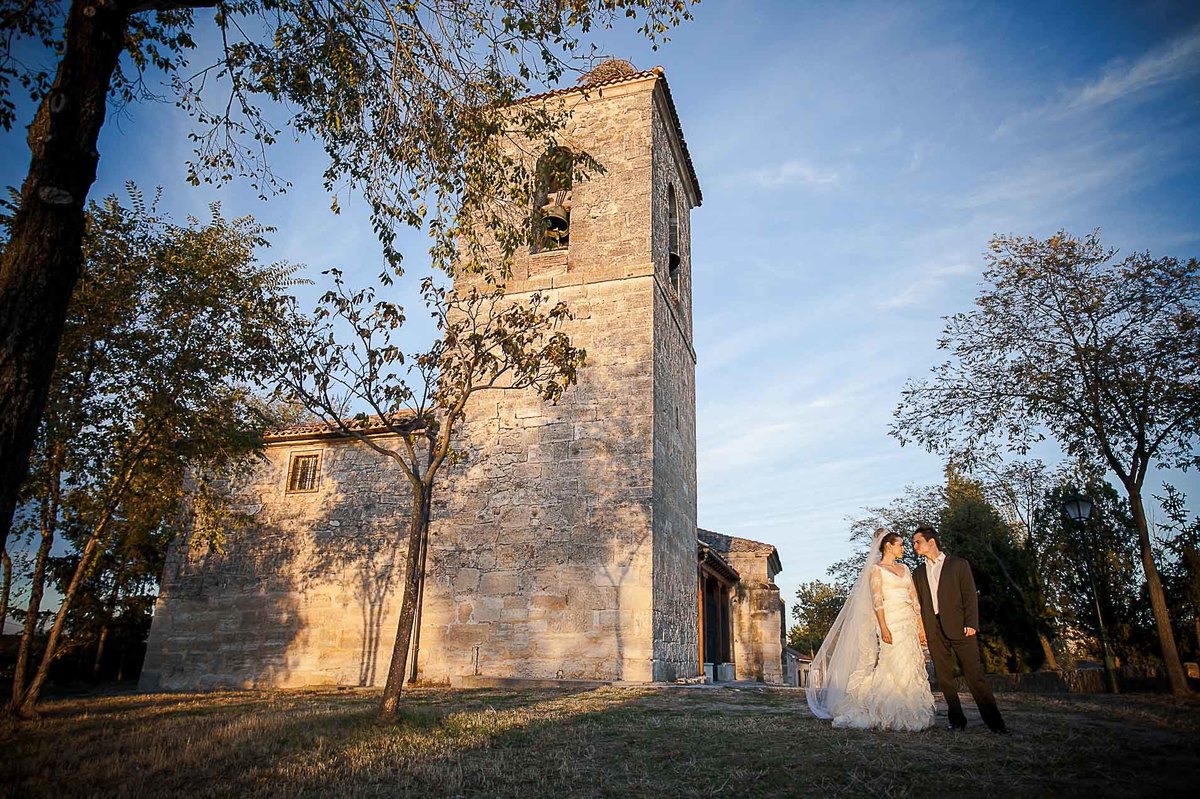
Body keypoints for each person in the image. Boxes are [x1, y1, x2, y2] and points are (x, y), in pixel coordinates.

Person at [806, 529, 935, 731]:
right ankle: (887, 708)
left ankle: (911, 709)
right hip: (890, 621)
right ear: (888, 546)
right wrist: (883, 627)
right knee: (893, 664)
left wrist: (920, 626)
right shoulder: (876, 570)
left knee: (911, 663)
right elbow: (877, 602)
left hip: (907, 621)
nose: (903, 548)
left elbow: (914, 598)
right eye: (900, 544)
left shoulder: (905, 569)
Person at [911, 525, 1010, 734]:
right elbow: (918, 602)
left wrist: (971, 623)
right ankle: (956, 720)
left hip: (961, 628)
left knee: (975, 675)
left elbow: (969, 595)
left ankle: (995, 723)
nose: (914, 546)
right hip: (934, 629)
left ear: (931, 542)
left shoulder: (958, 564)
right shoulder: (918, 572)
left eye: (917, 542)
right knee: (945, 679)